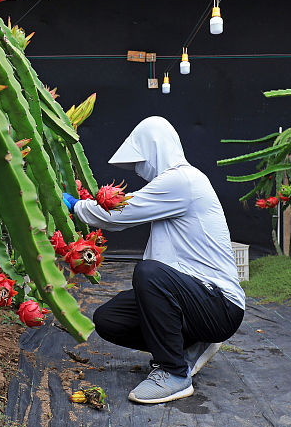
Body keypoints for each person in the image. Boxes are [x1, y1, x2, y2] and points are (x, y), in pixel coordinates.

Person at [62, 116, 246, 404]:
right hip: (195, 299)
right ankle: (188, 346)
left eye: (142, 160)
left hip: (220, 304)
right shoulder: (172, 185)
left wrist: (77, 207)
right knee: (108, 319)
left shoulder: (183, 180)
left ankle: (174, 373)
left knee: (148, 273)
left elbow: (120, 213)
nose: (140, 169)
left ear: (156, 149)